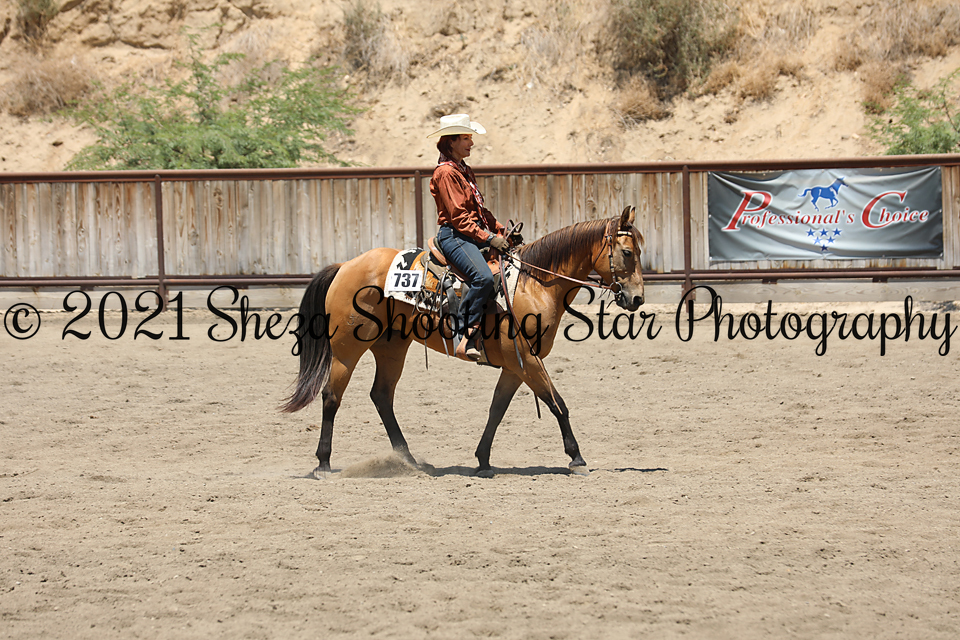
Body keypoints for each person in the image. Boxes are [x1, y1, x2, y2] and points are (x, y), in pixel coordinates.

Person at [427, 114, 510, 361]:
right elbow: (459, 218)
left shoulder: (463, 170)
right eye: (465, 138)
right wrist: (489, 238)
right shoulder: (446, 173)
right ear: (451, 142)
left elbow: (479, 211)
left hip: (470, 233)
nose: (471, 143)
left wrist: (500, 230)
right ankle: (466, 334)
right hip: (455, 235)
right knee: (483, 277)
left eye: (470, 138)